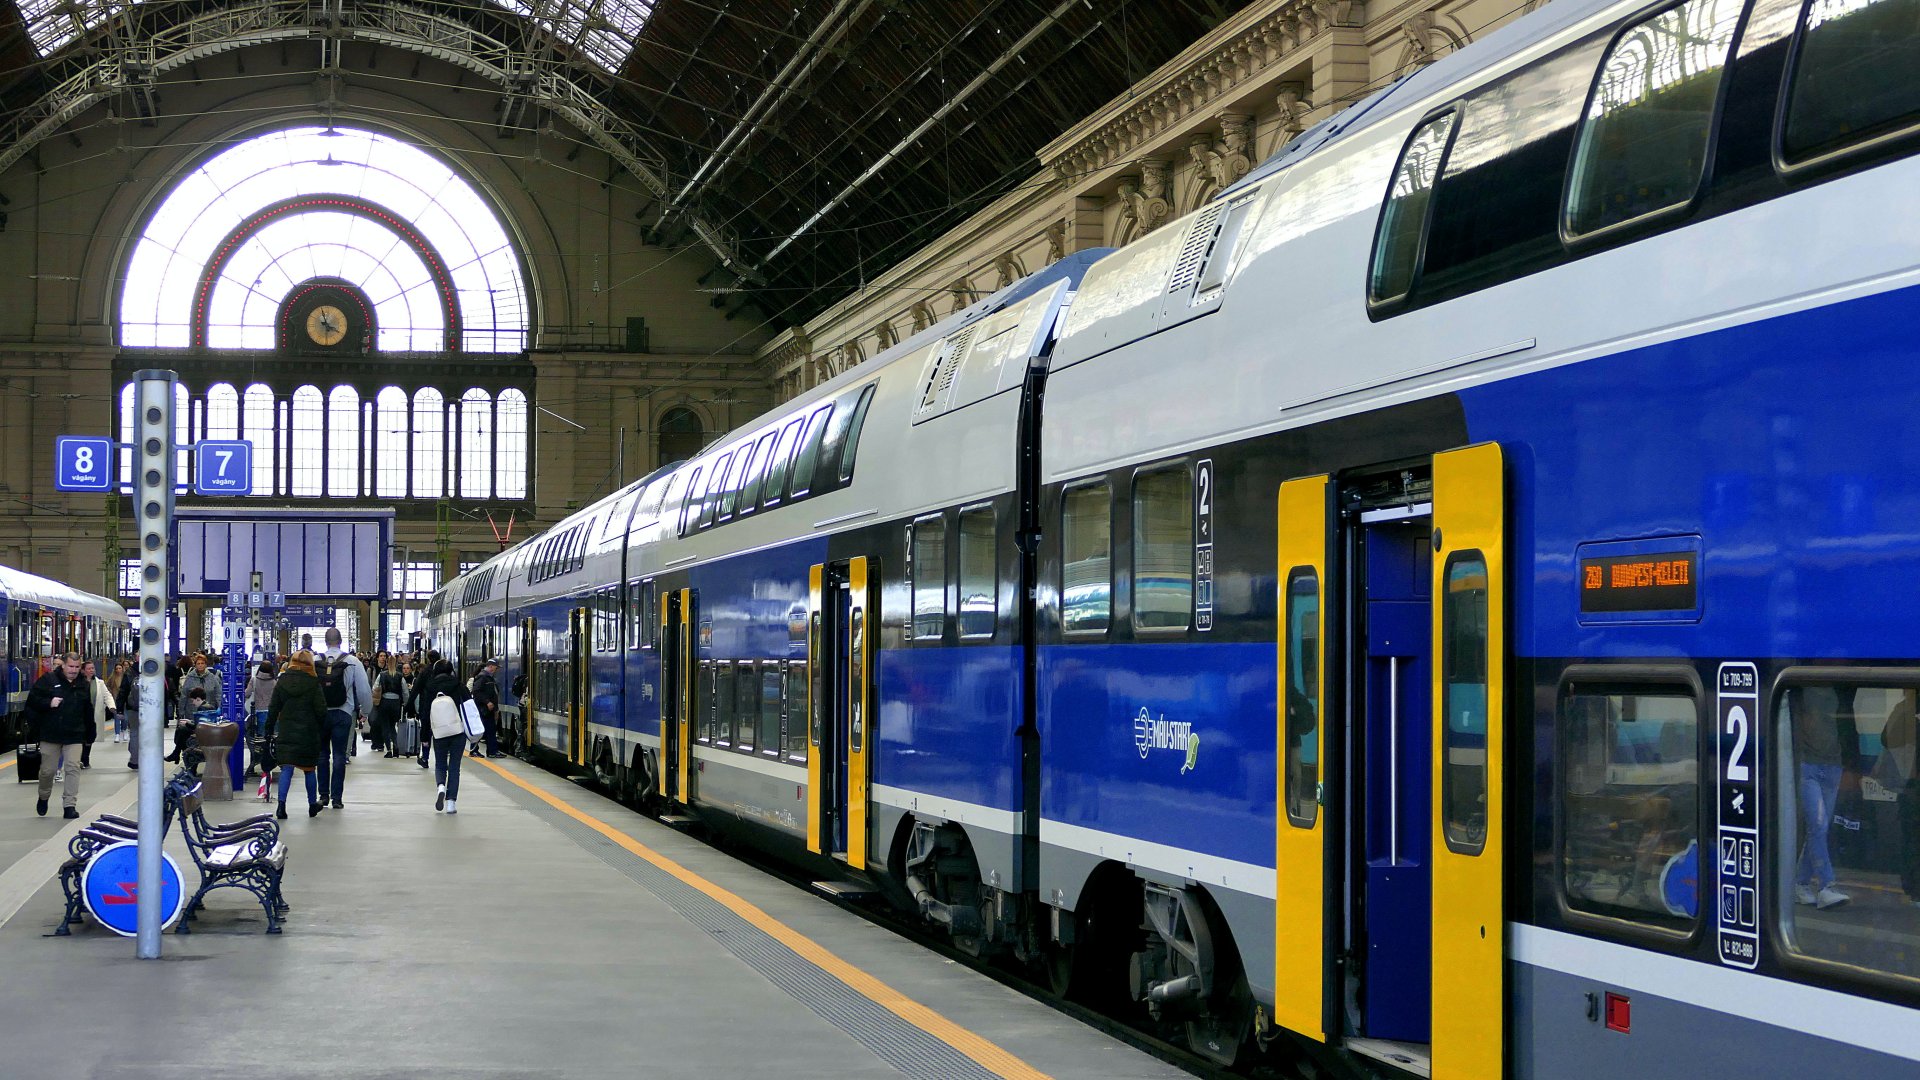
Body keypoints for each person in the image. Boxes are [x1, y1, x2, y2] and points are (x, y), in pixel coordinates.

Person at [1792, 686, 1851, 909]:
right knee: (1819, 824)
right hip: (1808, 764)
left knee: (1818, 828)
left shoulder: (1834, 687)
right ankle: (1827, 885)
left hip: (1832, 764)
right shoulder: (1801, 689)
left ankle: (1801, 883)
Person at [24, 652, 89, 818]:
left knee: (73, 767)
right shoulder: (48, 681)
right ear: (63, 666)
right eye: (71, 667)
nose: (74, 670)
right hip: (50, 734)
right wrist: (48, 703)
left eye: (76, 667)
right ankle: (43, 796)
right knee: (48, 771)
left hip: (74, 734)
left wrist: (90, 733)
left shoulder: (83, 684)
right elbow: (32, 702)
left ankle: (69, 806)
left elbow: (87, 711)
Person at [266, 650, 328, 819]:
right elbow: (321, 710)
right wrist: (321, 728)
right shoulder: (313, 683)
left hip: (286, 730)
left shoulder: (282, 681)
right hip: (308, 732)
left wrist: (269, 729)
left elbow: (273, 708)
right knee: (309, 769)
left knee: (287, 767)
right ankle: (311, 805)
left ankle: (281, 806)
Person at [313, 627, 370, 810]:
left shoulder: (315, 661)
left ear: (325, 641)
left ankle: (323, 795)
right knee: (339, 755)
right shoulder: (352, 661)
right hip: (343, 713)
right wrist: (366, 712)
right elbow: (363, 690)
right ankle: (337, 798)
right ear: (341, 641)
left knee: (322, 755)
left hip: (320, 713)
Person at [414, 658, 471, 814]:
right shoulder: (459, 686)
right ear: (451, 671)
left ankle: (440, 786)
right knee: (454, 767)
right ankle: (451, 803)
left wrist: (425, 736)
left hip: (439, 732)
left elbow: (426, 713)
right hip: (457, 732)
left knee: (440, 764)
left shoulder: (431, 688)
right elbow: (469, 707)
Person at [244, 661, 279, 779]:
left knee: (259, 740)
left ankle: (256, 762)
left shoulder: (254, 680)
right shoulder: (274, 682)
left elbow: (247, 694)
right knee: (271, 739)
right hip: (272, 713)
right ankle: (271, 761)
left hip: (258, 713)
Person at [373, 653, 407, 757]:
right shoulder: (400, 676)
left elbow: (375, 688)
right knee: (392, 726)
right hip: (396, 703)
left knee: (385, 727)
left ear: (387, 663)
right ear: (396, 664)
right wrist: (405, 703)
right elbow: (405, 691)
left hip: (384, 702)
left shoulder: (382, 674)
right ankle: (396, 747)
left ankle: (389, 750)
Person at [80, 659, 111, 770]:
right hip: (80, 714)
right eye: (89, 668)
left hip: (92, 714)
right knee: (80, 737)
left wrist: (112, 707)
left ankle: (85, 758)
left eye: (93, 668)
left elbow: (107, 695)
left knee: (90, 737)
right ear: (83, 670)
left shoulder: (99, 682)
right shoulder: (78, 682)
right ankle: (81, 759)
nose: (92, 670)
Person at [176, 653, 222, 725]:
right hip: (192, 712)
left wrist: (220, 707)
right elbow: (184, 696)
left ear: (206, 664)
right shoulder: (190, 677)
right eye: (198, 663)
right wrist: (181, 712)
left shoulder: (212, 677)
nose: (200, 665)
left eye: (202, 663)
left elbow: (218, 694)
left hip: (209, 712)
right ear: (195, 665)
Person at [471, 658, 502, 758]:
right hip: (482, 709)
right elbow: (476, 691)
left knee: (491, 730)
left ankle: (492, 751)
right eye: (496, 668)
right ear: (491, 666)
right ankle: (474, 750)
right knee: (479, 731)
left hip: (488, 710)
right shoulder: (482, 677)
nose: (496, 670)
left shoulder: (489, 677)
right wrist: (487, 702)